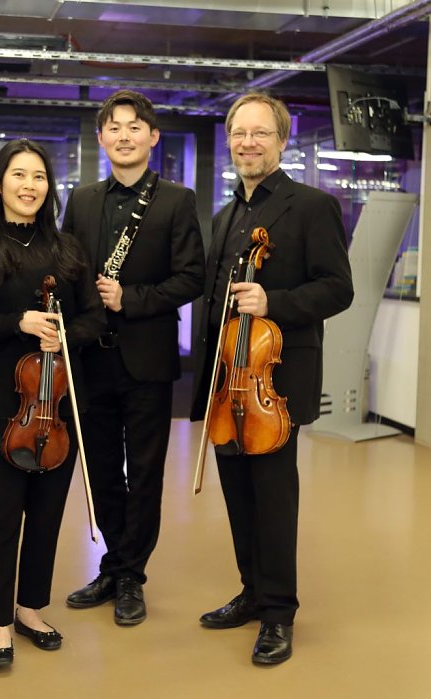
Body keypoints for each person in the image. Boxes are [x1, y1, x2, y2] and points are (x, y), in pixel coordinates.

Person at [190, 92, 353, 665]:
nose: (248, 143)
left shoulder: (311, 205)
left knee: (274, 497)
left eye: (261, 133)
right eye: (239, 133)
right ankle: (253, 592)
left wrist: (274, 300)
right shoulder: (226, 214)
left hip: (274, 382)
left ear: (281, 141)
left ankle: (280, 612)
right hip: (227, 382)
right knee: (237, 494)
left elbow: (338, 287)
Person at [0, 139, 104, 667]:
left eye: (39, 176)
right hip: (6, 404)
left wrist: (65, 333)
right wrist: (16, 322)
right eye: (19, 175)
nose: (29, 186)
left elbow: (93, 319)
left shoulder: (68, 252)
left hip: (59, 404)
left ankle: (30, 606)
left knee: (46, 515)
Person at [61, 89, 205, 625]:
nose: (124, 135)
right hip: (90, 360)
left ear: (152, 136)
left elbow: (192, 276)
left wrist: (133, 298)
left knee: (144, 473)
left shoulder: (175, 200)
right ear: (101, 138)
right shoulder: (81, 199)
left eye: (134, 126)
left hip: (147, 360)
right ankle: (113, 563)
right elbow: (70, 272)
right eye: (114, 127)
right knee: (101, 471)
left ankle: (131, 577)